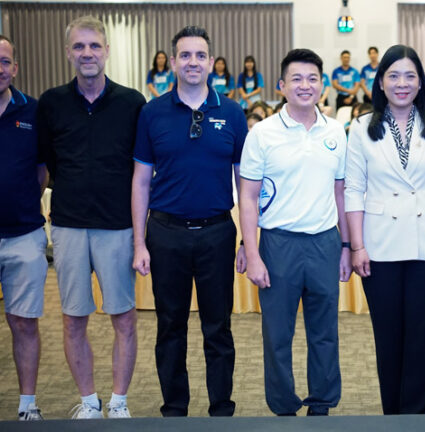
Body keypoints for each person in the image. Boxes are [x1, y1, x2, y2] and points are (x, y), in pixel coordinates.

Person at [131, 25, 247, 417]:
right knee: (170, 327)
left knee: (219, 328)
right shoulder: (152, 112)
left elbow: (245, 185)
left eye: (200, 55)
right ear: (173, 62)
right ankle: (174, 408)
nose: (193, 62)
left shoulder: (231, 112)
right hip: (165, 234)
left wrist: (249, 241)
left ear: (211, 62)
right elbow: (140, 181)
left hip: (217, 232)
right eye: (185, 55)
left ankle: (221, 408)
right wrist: (139, 243)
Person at [37, 16, 144, 419]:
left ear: (107, 51)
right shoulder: (51, 102)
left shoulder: (132, 103)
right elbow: (46, 162)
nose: (87, 53)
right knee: (73, 318)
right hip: (67, 225)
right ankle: (88, 402)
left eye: (94, 46)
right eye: (79, 47)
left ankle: (118, 402)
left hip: (117, 226)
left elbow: (142, 169)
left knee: (124, 317)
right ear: (68, 53)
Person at [345, 44, 425, 415]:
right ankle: (393, 417)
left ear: (420, 82)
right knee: (389, 338)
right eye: (393, 75)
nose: (402, 83)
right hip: (379, 246)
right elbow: (353, 189)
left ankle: (421, 418)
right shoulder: (361, 127)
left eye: (410, 75)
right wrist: (357, 246)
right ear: (380, 83)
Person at [238, 48, 351, 417]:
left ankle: (321, 403)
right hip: (278, 244)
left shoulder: (336, 131)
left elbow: (340, 192)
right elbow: (249, 197)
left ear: (322, 85)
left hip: (324, 242)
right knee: (277, 335)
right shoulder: (262, 133)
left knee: (324, 333)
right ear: (282, 85)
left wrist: (347, 245)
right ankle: (284, 407)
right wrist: (252, 252)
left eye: (313, 78)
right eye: (297, 79)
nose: (305, 85)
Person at [0, 35, 48, 421]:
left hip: (25, 235)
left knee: (24, 323)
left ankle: (27, 405)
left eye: (4, 61)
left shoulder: (32, 111)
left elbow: (41, 171)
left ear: (15, 67)